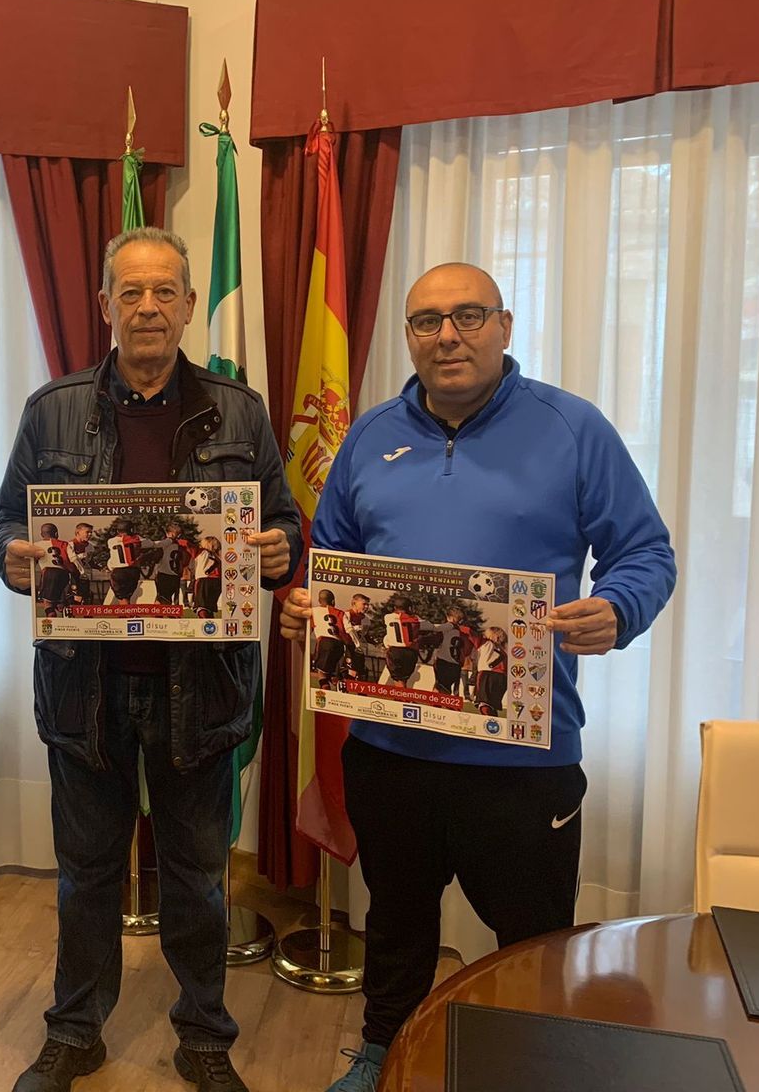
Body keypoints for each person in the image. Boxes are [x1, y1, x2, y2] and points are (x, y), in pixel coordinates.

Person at [279, 262, 676, 1092]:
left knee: (531, 941)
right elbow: (332, 561)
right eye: (427, 321)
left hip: (523, 758)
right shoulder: (370, 434)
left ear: (504, 324)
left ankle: (522, 1068)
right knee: (395, 925)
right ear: (410, 337)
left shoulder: (573, 428)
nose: (447, 335)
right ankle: (383, 1055)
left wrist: (618, 610)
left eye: (467, 316)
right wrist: (308, 606)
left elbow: (645, 553)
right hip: (390, 748)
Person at [0, 226, 302, 1092]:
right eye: (130, 292)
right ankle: (75, 1029)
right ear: (105, 307)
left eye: (165, 291)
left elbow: (285, 518)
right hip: (84, 691)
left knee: (198, 879)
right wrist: (12, 555)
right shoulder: (51, 409)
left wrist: (279, 546)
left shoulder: (239, 410)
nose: (148, 308)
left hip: (199, 692)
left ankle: (204, 1037)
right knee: (86, 875)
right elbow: (5, 522)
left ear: (191, 305)